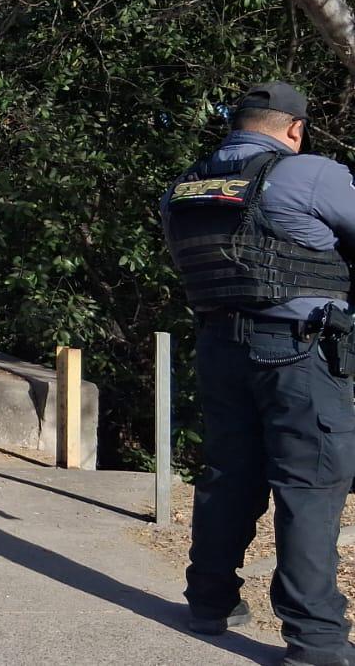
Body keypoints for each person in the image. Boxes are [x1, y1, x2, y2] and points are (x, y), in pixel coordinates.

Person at [162, 81, 355, 666]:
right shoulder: (311, 174)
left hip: (220, 348)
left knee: (229, 474)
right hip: (298, 355)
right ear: (294, 129)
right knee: (310, 485)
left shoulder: (184, 187)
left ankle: (209, 601)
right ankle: (316, 642)